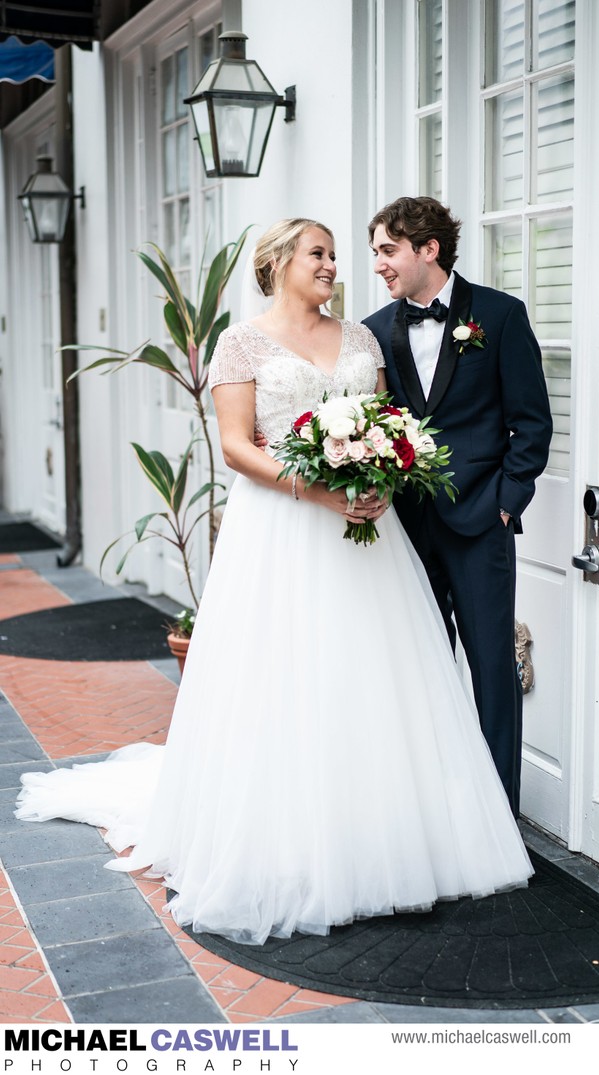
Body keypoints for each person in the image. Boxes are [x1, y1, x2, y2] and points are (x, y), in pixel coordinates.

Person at [16, 218, 532, 946]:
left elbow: (386, 420)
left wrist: (383, 476)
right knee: (291, 676)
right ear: (280, 262)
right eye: (319, 253)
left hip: (368, 533)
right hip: (284, 530)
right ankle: (295, 841)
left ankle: (383, 834)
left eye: (332, 255)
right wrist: (315, 489)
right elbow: (234, 445)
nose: (333, 265)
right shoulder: (240, 341)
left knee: (374, 679)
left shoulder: (361, 338)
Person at [363, 197, 553, 818]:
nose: (379, 266)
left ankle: (498, 819)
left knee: (493, 673)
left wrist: (505, 504)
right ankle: (432, 818)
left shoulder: (499, 316)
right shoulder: (370, 331)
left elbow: (532, 426)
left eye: (387, 251)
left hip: (480, 525)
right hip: (404, 531)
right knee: (416, 673)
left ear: (428, 249)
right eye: (375, 254)